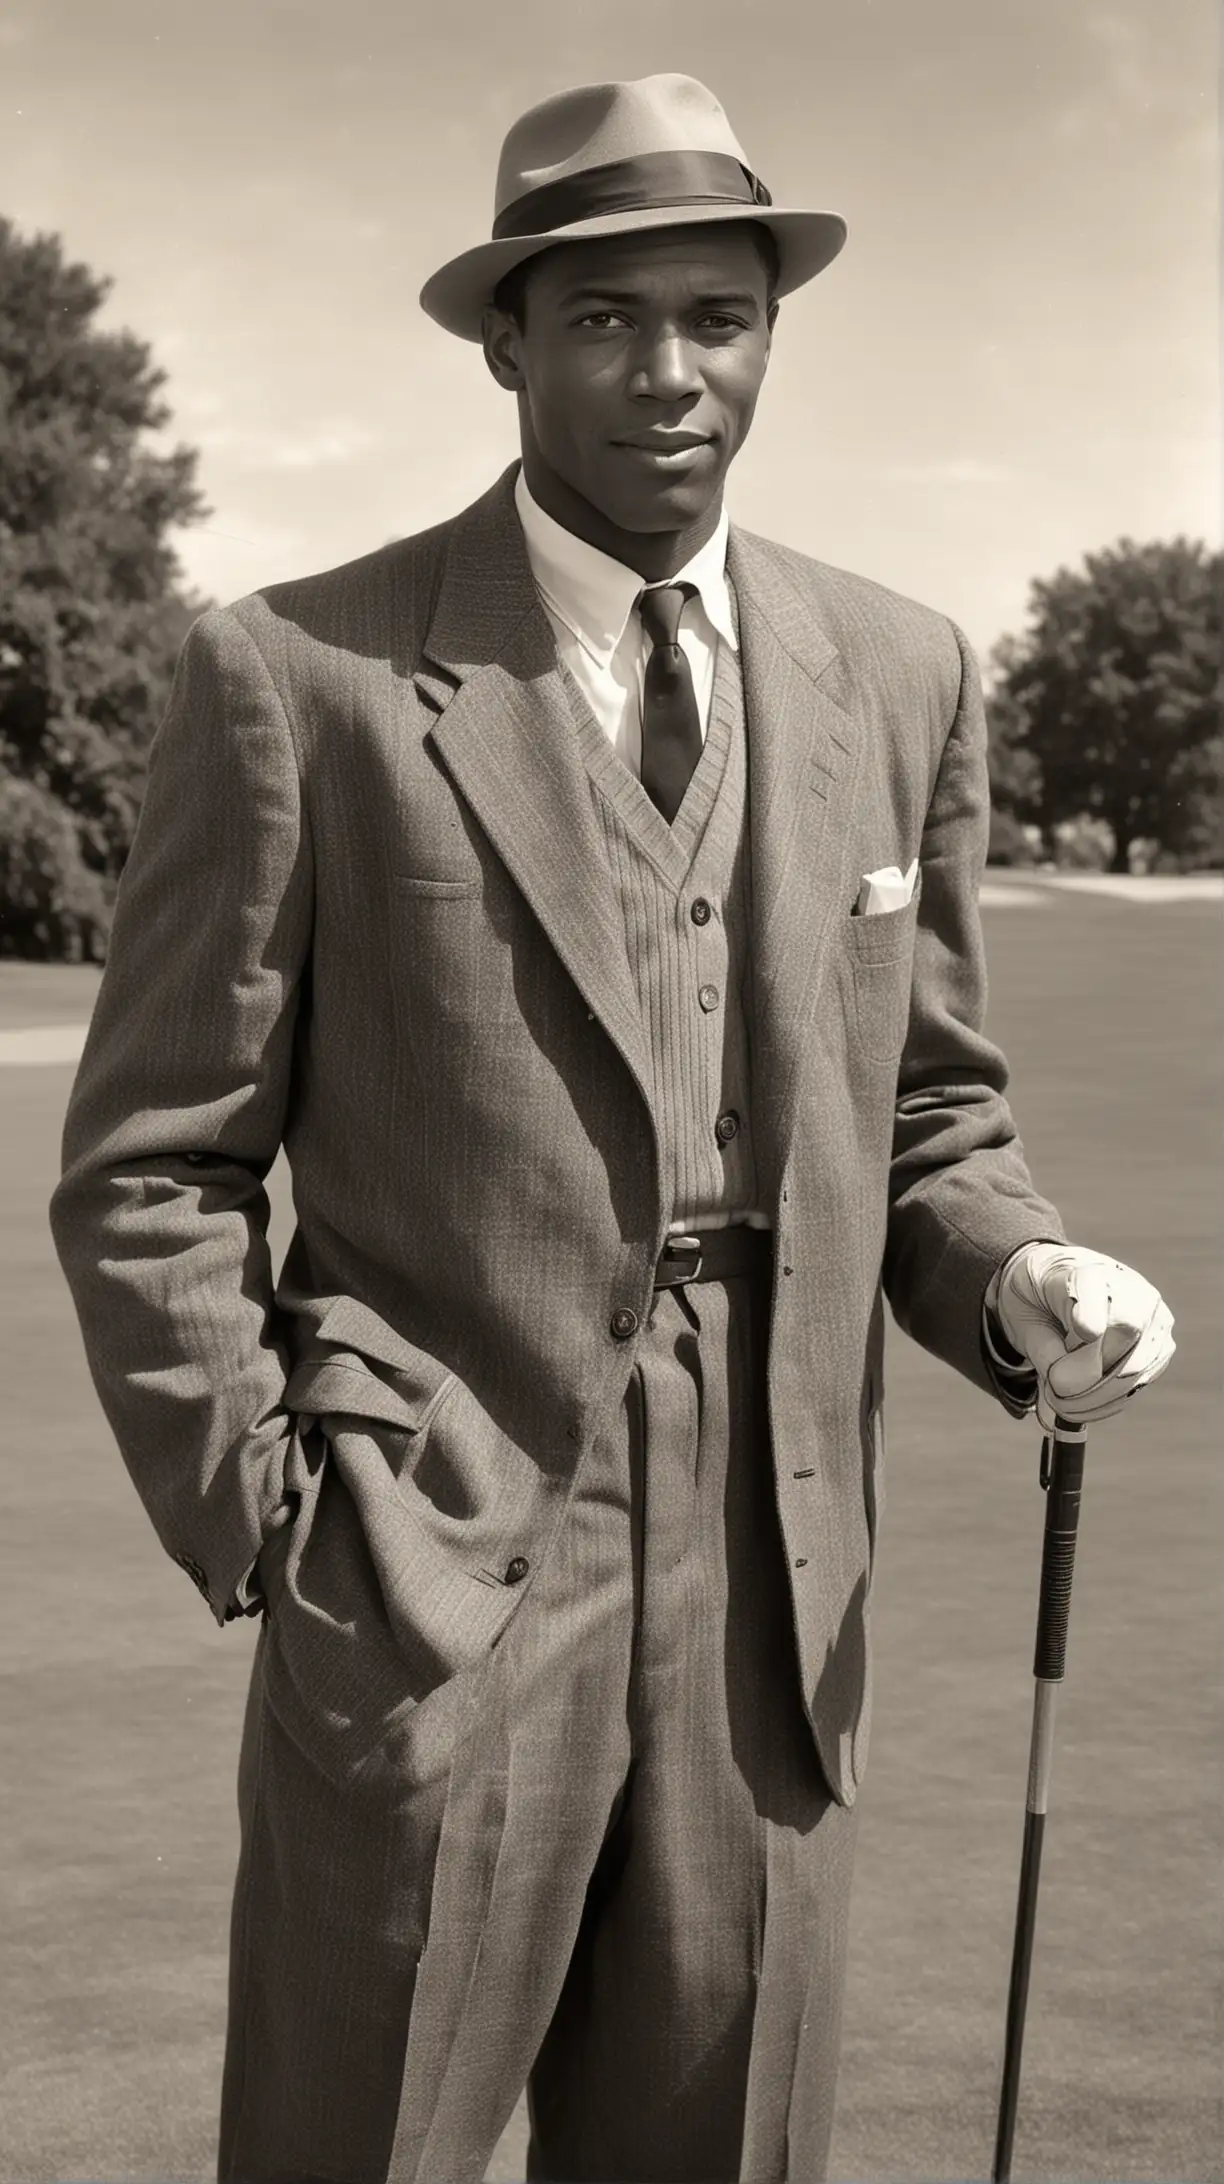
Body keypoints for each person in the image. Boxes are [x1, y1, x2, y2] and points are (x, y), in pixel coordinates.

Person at [49, 71, 1175, 2184]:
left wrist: (1021, 1271)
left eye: (718, 315)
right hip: (428, 1567)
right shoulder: (299, 674)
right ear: (509, 338)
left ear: (772, 330)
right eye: (606, 318)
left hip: (778, 1590)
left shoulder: (904, 668)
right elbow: (154, 1167)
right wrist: (288, 1530)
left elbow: (929, 1113)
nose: (671, 372)